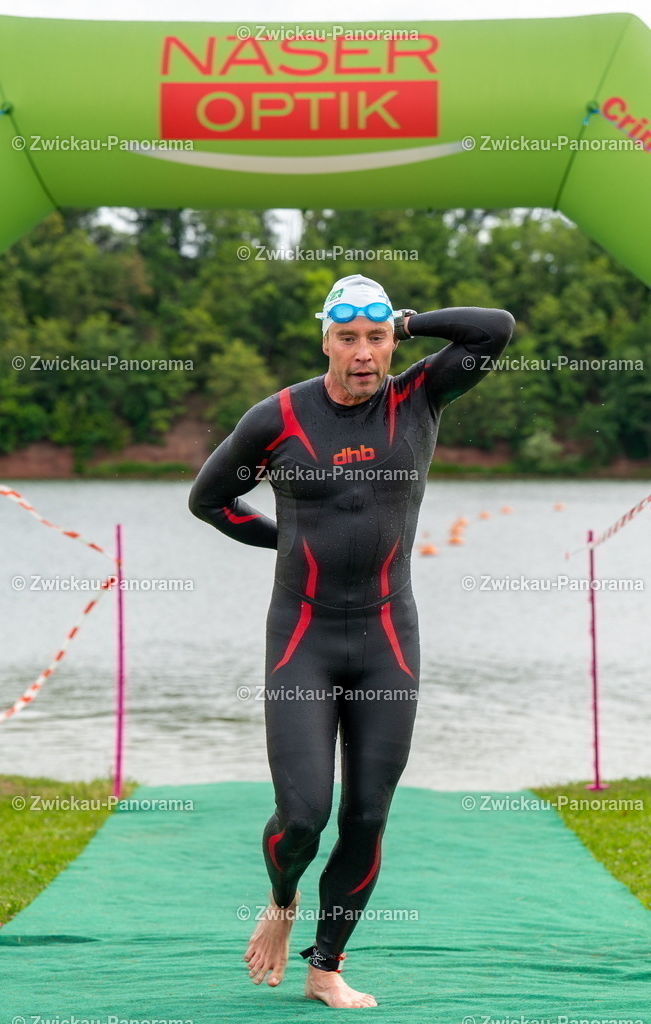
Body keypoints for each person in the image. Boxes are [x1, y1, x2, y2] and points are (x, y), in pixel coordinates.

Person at [188, 274, 514, 1008]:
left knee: (366, 813)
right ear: (324, 340)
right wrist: (286, 543)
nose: (363, 354)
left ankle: (325, 966)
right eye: (347, 337)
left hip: (386, 639)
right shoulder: (278, 417)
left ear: (391, 340)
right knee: (303, 815)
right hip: (301, 635)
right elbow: (208, 500)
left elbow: (493, 326)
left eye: (375, 338)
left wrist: (411, 320)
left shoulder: (420, 395)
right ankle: (282, 899)